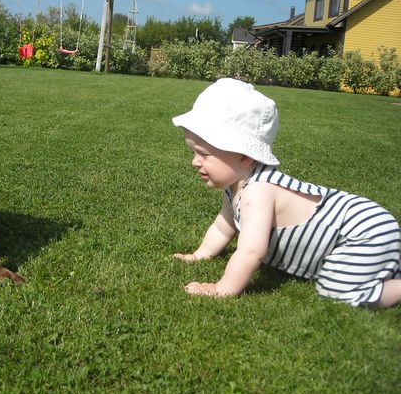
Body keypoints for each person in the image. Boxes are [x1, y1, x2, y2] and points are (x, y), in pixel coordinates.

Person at [171, 78, 401, 308]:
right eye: (194, 153)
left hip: (362, 230)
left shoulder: (257, 191)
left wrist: (222, 288)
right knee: (354, 273)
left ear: (244, 156)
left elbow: (251, 251)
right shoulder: (235, 186)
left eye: (204, 154)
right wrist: (199, 254)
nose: (195, 162)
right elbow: (224, 225)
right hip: (359, 223)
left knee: (337, 292)